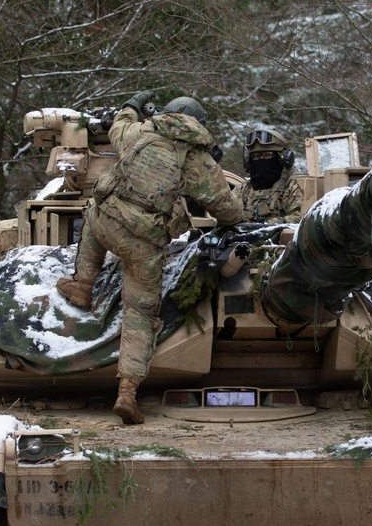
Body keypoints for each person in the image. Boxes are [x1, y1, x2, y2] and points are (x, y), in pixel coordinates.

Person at [57, 92, 242, 425]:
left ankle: (82, 285)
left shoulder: (140, 131)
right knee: (141, 314)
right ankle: (127, 392)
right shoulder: (197, 159)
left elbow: (119, 125)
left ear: (167, 114)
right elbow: (228, 210)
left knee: (95, 210)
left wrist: (132, 104)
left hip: (105, 222)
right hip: (144, 244)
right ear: (199, 125)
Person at [239, 126, 304, 224]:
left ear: (283, 159)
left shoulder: (292, 186)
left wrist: (271, 223)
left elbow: (301, 218)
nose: (261, 159)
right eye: (255, 156)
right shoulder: (243, 189)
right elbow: (229, 214)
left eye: (267, 155)